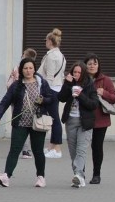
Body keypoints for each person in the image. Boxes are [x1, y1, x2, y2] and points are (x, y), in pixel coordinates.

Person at [0, 57, 58, 188]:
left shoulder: (41, 83)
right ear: (22, 70)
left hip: (37, 122)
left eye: (30, 68)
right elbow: (5, 101)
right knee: (14, 150)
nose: (28, 71)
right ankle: (6, 176)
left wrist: (43, 100)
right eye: (25, 68)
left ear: (34, 69)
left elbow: (52, 98)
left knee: (38, 151)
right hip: (20, 123)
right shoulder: (16, 85)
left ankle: (40, 177)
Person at [59, 61, 99, 188]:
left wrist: (80, 95)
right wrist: (67, 84)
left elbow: (93, 104)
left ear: (83, 74)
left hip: (85, 122)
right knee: (73, 151)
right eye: (74, 72)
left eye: (78, 72)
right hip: (70, 120)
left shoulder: (89, 85)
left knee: (81, 150)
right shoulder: (70, 83)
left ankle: (78, 176)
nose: (76, 74)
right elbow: (61, 97)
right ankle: (79, 175)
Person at [84, 53, 115, 185]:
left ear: (98, 65)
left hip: (100, 119)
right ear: (85, 65)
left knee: (97, 147)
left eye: (95, 63)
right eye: (89, 64)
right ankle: (79, 173)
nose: (92, 66)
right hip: (84, 118)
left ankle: (96, 174)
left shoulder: (105, 80)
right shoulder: (82, 79)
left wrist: (103, 92)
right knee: (81, 147)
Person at [39, 28, 67, 159]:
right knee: (53, 118)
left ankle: (56, 149)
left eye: (46, 40)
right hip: (57, 89)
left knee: (54, 119)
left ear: (50, 41)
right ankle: (52, 147)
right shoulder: (61, 55)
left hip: (50, 90)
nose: (45, 42)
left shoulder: (51, 56)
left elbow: (49, 76)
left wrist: (43, 91)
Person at [6, 48, 38, 159]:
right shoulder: (33, 70)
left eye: (23, 55)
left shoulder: (18, 68)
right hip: (26, 101)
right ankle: (25, 150)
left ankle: (19, 149)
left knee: (18, 124)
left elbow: (9, 84)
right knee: (26, 125)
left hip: (17, 100)